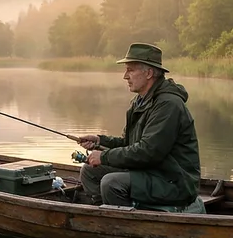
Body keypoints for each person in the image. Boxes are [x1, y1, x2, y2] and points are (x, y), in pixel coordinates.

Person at [74, 43, 202, 212]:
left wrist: (104, 157)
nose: (125, 76)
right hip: (151, 172)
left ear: (148, 73)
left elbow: (148, 152)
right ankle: (106, 215)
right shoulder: (141, 101)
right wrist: (100, 141)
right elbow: (129, 143)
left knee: (111, 183)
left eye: (130, 70)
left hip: (173, 181)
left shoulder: (168, 105)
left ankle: (127, 222)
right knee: (89, 171)